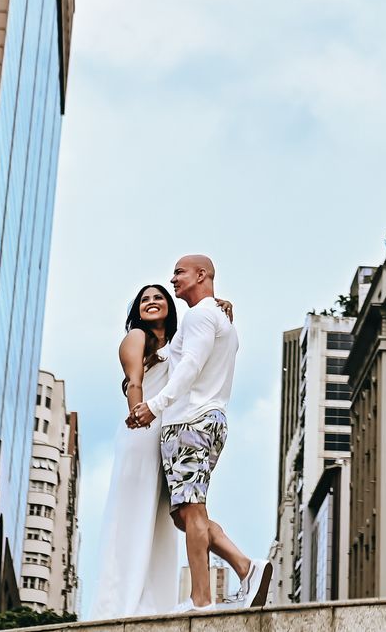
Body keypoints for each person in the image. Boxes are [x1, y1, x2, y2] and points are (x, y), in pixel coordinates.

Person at [129, 253, 271, 612]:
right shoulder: (215, 318)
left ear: (201, 274)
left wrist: (154, 405)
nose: (173, 279)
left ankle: (201, 599)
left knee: (191, 512)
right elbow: (177, 357)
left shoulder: (200, 316)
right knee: (184, 514)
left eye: (179, 272)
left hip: (189, 421)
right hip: (207, 420)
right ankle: (244, 566)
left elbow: (190, 366)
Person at [87, 284, 182, 618]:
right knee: (133, 513)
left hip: (169, 434)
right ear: (137, 310)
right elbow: (134, 381)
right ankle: (118, 602)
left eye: (159, 297)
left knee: (161, 518)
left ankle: (155, 604)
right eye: (145, 299)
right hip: (141, 432)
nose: (152, 302)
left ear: (170, 306)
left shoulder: (178, 342)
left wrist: (220, 306)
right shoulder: (136, 337)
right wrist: (138, 414)